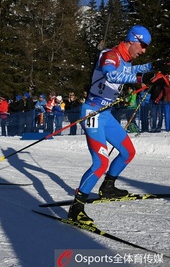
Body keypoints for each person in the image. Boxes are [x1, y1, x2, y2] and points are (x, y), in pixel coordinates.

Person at [68, 25, 154, 225]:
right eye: (142, 46)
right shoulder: (110, 55)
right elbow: (111, 75)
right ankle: (76, 208)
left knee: (128, 152)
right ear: (132, 40)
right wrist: (141, 77)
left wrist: (155, 67)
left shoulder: (125, 60)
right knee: (100, 162)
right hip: (92, 113)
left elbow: (135, 69)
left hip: (105, 114)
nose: (143, 50)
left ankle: (107, 187)